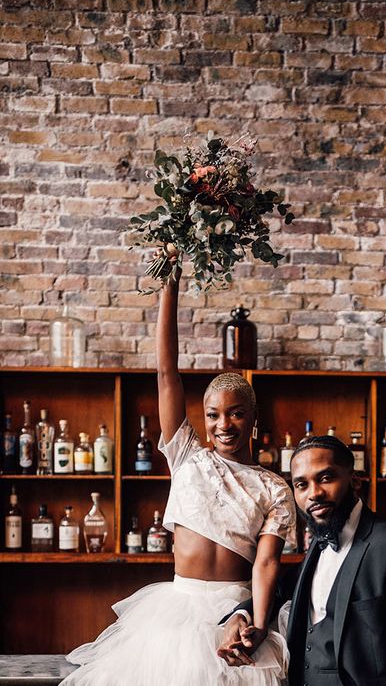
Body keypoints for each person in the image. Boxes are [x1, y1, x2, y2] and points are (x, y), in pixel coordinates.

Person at [61, 269, 296, 686]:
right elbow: (167, 373)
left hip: (236, 611)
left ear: (254, 419)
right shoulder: (188, 456)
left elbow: (266, 562)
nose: (224, 424)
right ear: (203, 421)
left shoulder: (273, 486)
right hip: (176, 611)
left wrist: (258, 624)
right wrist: (170, 284)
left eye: (236, 413)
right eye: (213, 415)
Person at [218, 435, 386, 686]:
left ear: (355, 481)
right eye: (301, 485)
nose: (314, 494)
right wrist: (242, 614)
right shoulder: (319, 544)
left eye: (325, 478)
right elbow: (280, 590)